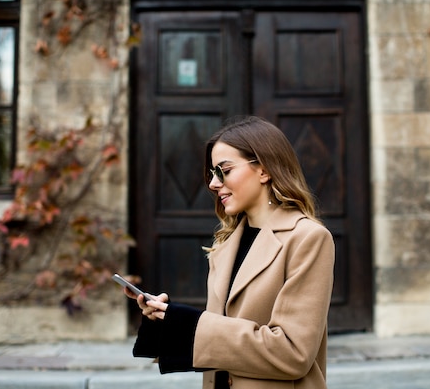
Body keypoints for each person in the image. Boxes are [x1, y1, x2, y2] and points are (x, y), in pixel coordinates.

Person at [125, 116, 335, 389]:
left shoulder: (308, 238)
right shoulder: (225, 245)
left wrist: (187, 322)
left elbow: (293, 352)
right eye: (212, 173)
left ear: (264, 170)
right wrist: (164, 318)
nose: (213, 183)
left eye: (224, 170)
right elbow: (221, 343)